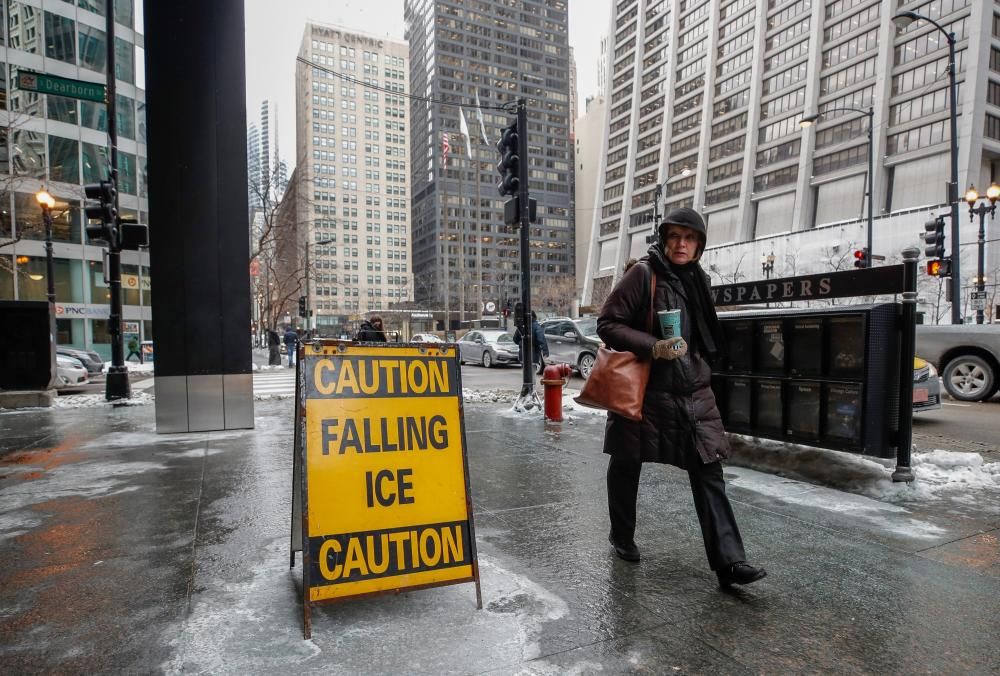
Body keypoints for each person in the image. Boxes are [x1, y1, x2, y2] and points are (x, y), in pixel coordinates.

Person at [597, 207, 766, 589]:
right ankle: (621, 535)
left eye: (690, 238)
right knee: (627, 463)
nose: (681, 244)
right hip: (645, 390)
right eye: (674, 236)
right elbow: (607, 324)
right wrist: (653, 346)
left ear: (700, 245)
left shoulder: (698, 280)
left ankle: (730, 563)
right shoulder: (643, 274)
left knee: (709, 470)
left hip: (692, 391)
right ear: (664, 238)